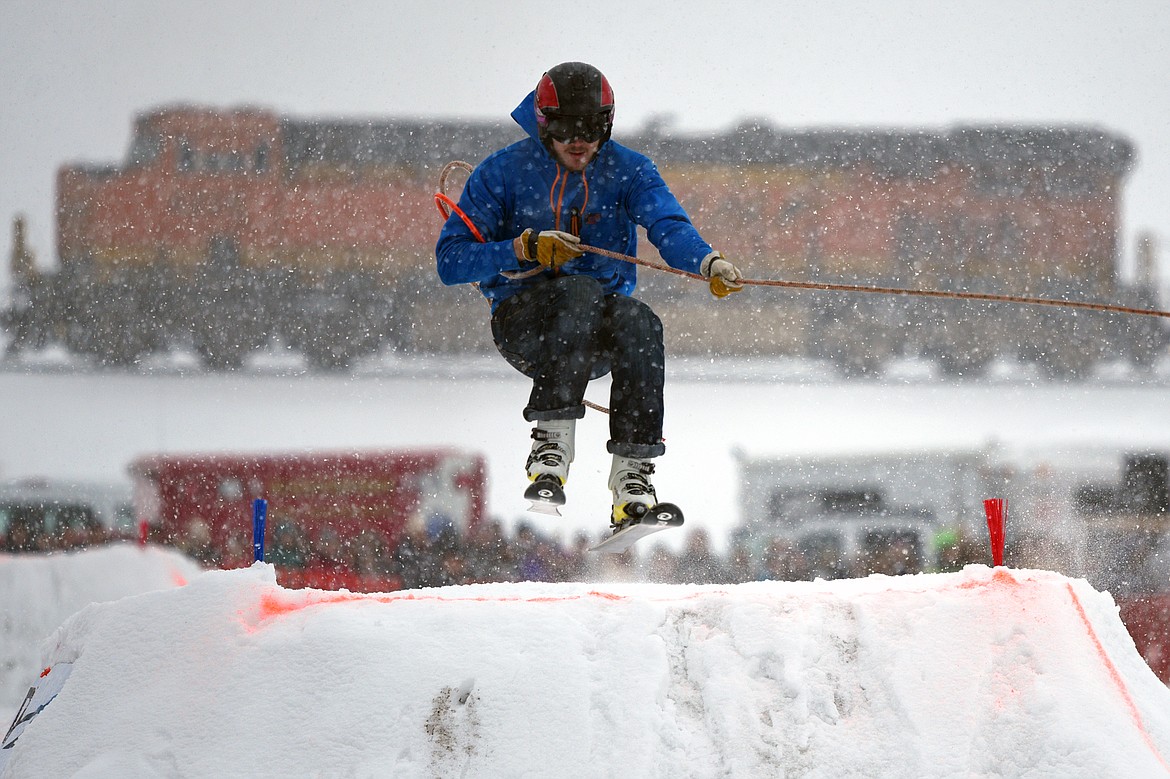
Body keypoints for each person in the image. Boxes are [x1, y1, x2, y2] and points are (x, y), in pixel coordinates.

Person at [435, 61, 744, 534]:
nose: (579, 141)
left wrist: (705, 262)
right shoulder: (501, 173)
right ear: (543, 123)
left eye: (592, 128)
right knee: (577, 290)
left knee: (641, 321)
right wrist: (522, 247)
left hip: (595, 330)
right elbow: (450, 262)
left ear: (608, 124)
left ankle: (632, 484)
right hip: (526, 326)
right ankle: (550, 447)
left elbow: (667, 225)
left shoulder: (630, 171)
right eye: (564, 129)